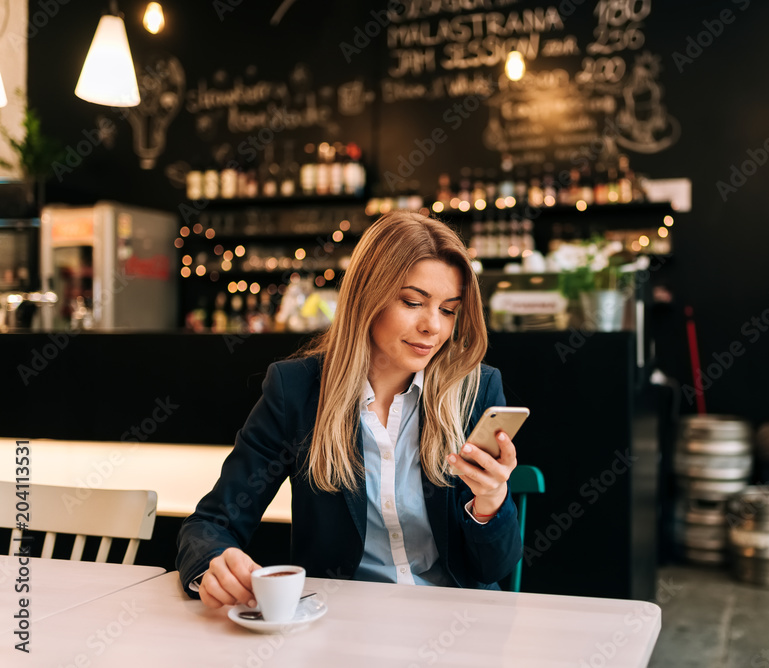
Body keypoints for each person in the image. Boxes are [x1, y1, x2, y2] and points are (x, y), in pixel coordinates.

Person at [176, 210, 523, 608]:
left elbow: (491, 569)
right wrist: (214, 563)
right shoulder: (297, 391)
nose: (434, 327)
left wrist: (491, 500)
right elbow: (211, 523)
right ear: (367, 296)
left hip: (454, 622)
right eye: (413, 302)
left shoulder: (474, 391)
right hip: (342, 624)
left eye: (448, 310)